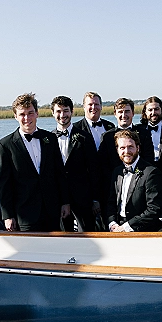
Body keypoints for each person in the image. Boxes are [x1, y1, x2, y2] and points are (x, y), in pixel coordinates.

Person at [0, 93, 70, 232]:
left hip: (52, 211)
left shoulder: (50, 139)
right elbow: (4, 184)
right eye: (22, 114)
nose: (27, 118)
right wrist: (8, 216)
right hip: (25, 214)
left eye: (30, 113)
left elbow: (59, 173)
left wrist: (65, 202)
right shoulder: (5, 145)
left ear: (37, 113)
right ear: (15, 116)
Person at [50, 96, 100, 231]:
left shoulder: (84, 137)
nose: (62, 115)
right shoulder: (47, 139)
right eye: (58, 111)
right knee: (63, 237)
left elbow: (93, 169)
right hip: (59, 199)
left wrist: (95, 199)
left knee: (87, 234)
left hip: (83, 197)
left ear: (71, 111)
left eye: (65, 111)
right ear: (53, 113)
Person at [106, 130, 162, 232]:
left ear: (138, 148)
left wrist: (126, 227)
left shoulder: (151, 172)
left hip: (142, 230)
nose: (127, 151)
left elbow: (153, 209)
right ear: (117, 150)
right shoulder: (117, 172)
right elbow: (111, 202)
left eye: (130, 147)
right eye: (122, 148)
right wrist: (112, 223)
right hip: (117, 227)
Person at [140, 96, 162, 172]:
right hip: (145, 170)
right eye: (150, 110)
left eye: (156, 109)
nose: (153, 113)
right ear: (145, 112)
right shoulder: (139, 131)